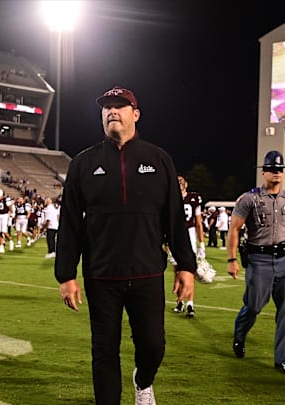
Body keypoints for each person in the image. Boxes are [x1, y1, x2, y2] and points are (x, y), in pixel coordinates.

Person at [54, 85, 196, 405]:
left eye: (120, 106)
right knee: (104, 351)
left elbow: (174, 217)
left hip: (147, 272)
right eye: (106, 107)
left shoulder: (158, 159)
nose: (112, 111)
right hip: (101, 275)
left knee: (152, 345)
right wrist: (66, 274)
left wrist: (185, 266)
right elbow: (70, 223)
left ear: (136, 114)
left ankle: (143, 381)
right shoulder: (82, 163)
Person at [226, 150, 285, 377]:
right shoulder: (250, 199)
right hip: (259, 260)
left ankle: (283, 360)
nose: (276, 173)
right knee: (254, 306)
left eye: (280, 170)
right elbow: (234, 229)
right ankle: (240, 334)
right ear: (263, 173)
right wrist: (232, 259)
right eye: (272, 169)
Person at [171, 175, 205, 318]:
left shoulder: (193, 198)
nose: (179, 183)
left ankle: (190, 303)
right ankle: (180, 302)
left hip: (189, 233)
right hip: (174, 234)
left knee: (189, 270)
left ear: (186, 184)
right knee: (177, 272)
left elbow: (198, 222)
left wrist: (201, 243)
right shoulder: (170, 198)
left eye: (181, 181)